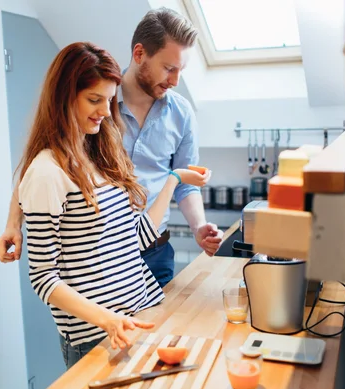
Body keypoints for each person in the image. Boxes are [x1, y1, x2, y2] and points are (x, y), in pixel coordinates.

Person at [0, 7, 223, 288]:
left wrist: (199, 227)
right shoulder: (95, 105)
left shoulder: (182, 113)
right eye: (168, 68)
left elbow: (186, 183)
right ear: (139, 54)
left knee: (159, 332)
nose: (175, 81)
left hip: (156, 252)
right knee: (95, 330)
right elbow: (42, 162)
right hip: (96, 257)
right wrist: (13, 222)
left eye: (181, 71)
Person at [15, 41, 210, 369]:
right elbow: (43, 277)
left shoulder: (100, 157)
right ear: (64, 97)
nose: (106, 111)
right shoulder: (47, 172)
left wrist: (174, 178)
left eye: (108, 100)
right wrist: (108, 320)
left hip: (139, 316)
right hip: (96, 335)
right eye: (94, 100)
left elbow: (135, 237)